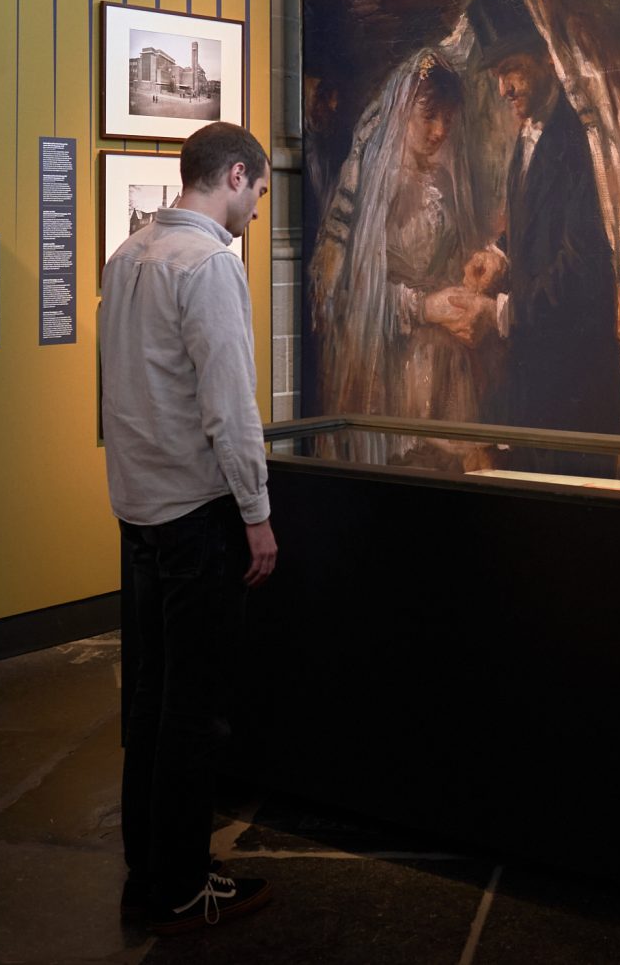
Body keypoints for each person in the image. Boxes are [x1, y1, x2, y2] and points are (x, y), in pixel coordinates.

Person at [99, 122, 279, 936]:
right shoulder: (210, 264)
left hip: (139, 513)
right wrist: (257, 513)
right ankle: (179, 882)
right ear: (235, 175)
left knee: (148, 703)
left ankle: (149, 870)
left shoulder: (129, 254)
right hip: (198, 519)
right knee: (194, 709)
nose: (258, 205)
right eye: (259, 189)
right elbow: (230, 408)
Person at [460, 0, 620, 434]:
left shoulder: (579, 142)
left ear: (548, 59)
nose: (503, 89)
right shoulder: (529, 131)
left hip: (573, 375)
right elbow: (534, 220)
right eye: (497, 75)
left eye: (511, 69)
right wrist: (498, 253)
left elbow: (582, 266)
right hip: (533, 374)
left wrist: (500, 315)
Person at [308, 49, 488, 443]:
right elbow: (349, 294)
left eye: (448, 118)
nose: (440, 130)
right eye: (429, 116)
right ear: (401, 112)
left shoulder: (445, 181)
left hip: (445, 365)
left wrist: (470, 281)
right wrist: (423, 308)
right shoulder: (373, 190)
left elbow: (452, 260)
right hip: (389, 363)